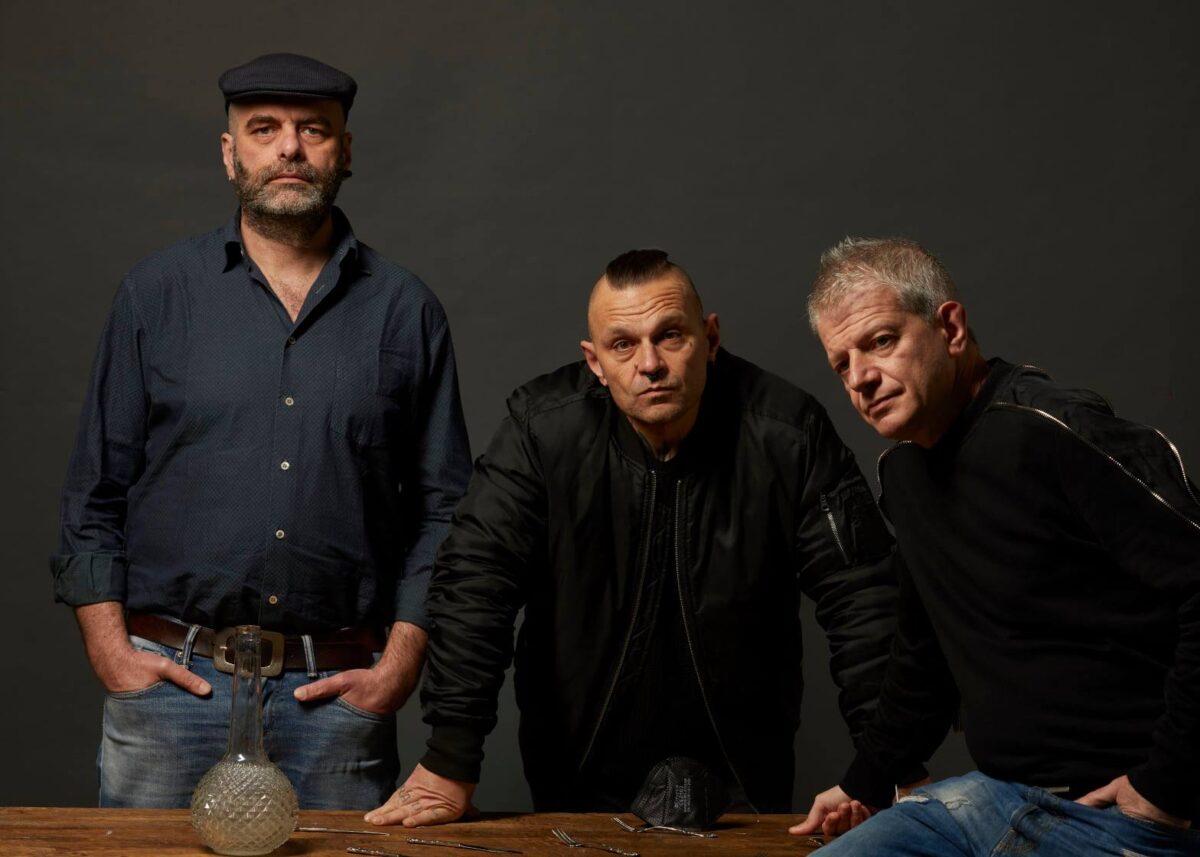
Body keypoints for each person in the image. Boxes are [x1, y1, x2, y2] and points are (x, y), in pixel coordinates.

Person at [50, 53, 472, 810]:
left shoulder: (406, 312)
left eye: (314, 130)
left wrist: (399, 665)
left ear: (345, 150)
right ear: (230, 152)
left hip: (337, 700)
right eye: (265, 129)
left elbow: (444, 512)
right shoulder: (155, 295)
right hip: (169, 694)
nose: (289, 149)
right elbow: (94, 490)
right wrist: (112, 652)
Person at [362, 248, 903, 827]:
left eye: (670, 336)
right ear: (594, 361)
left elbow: (863, 598)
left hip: (743, 768)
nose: (650, 363)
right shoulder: (542, 429)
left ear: (710, 338)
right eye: (623, 345)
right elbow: (475, 584)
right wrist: (451, 757)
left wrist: (890, 764)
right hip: (578, 764)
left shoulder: (788, 432)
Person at [793, 237, 1200, 855]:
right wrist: (866, 780)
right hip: (990, 796)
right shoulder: (903, 473)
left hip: (1117, 809)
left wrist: (1167, 786)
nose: (861, 377)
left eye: (881, 341)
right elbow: (923, 652)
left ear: (951, 329)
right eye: (841, 364)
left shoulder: (1052, 430)